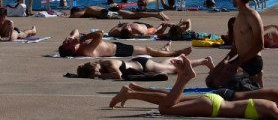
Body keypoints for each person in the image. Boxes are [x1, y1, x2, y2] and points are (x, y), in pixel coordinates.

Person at [110, 55, 278, 119]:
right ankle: (133, 92)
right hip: (226, 98)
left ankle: (133, 92)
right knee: (170, 102)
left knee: (172, 99)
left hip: (227, 97)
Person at [212, 0, 264, 88]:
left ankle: (254, 82)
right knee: (211, 80)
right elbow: (236, 47)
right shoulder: (238, 17)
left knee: (223, 83)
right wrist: (225, 59)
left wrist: (236, 64)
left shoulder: (252, 16)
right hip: (241, 60)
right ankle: (250, 78)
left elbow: (260, 45)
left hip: (253, 61)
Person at [58, 28, 191, 58]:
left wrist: (72, 38)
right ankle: (175, 53)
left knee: (148, 50)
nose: (67, 40)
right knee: (148, 50)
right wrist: (80, 39)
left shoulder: (76, 45)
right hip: (120, 51)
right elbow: (100, 33)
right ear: (73, 50)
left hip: (116, 46)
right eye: (67, 43)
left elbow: (75, 30)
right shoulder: (86, 49)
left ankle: (164, 50)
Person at [78, 54, 214, 80]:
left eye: (96, 71)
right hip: (140, 64)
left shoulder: (107, 64)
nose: (99, 72)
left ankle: (204, 61)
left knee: (174, 69)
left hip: (144, 66)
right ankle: (178, 57)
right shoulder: (102, 65)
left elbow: (118, 76)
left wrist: (100, 75)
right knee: (165, 65)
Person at [70, 5, 169, 21]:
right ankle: (156, 14)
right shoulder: (89, 9)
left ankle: (157, 14)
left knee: (134, 16)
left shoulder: (85, 9)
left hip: (108, 13)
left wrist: (70, 16)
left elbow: (75, 15)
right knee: (135, 16)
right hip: (110, 11)